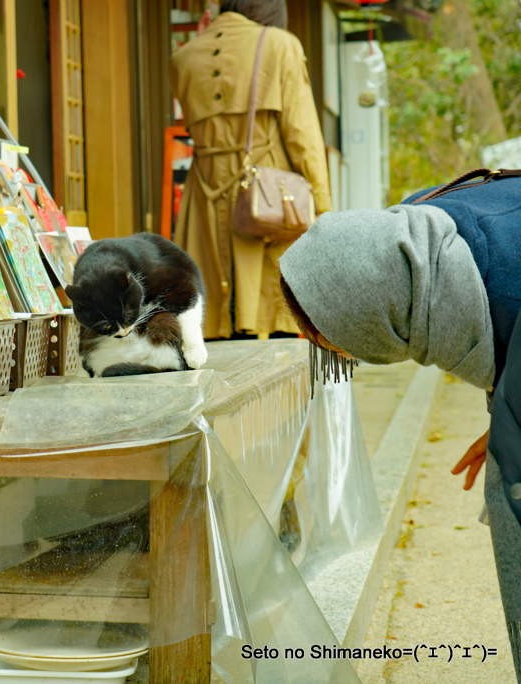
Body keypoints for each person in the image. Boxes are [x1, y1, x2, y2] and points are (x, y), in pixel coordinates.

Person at [277, 172, 521, 681]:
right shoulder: (421, 241)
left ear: (372, 320)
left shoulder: (504, 286)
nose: (341, 355)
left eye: (335, 342)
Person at [169, 0, 331, 340]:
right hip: (268, 201)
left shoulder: (182, 59)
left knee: (212, 325)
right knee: (273, 322)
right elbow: (303, 137)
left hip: (204, 200)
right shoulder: (279, 44)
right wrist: (323, 208)